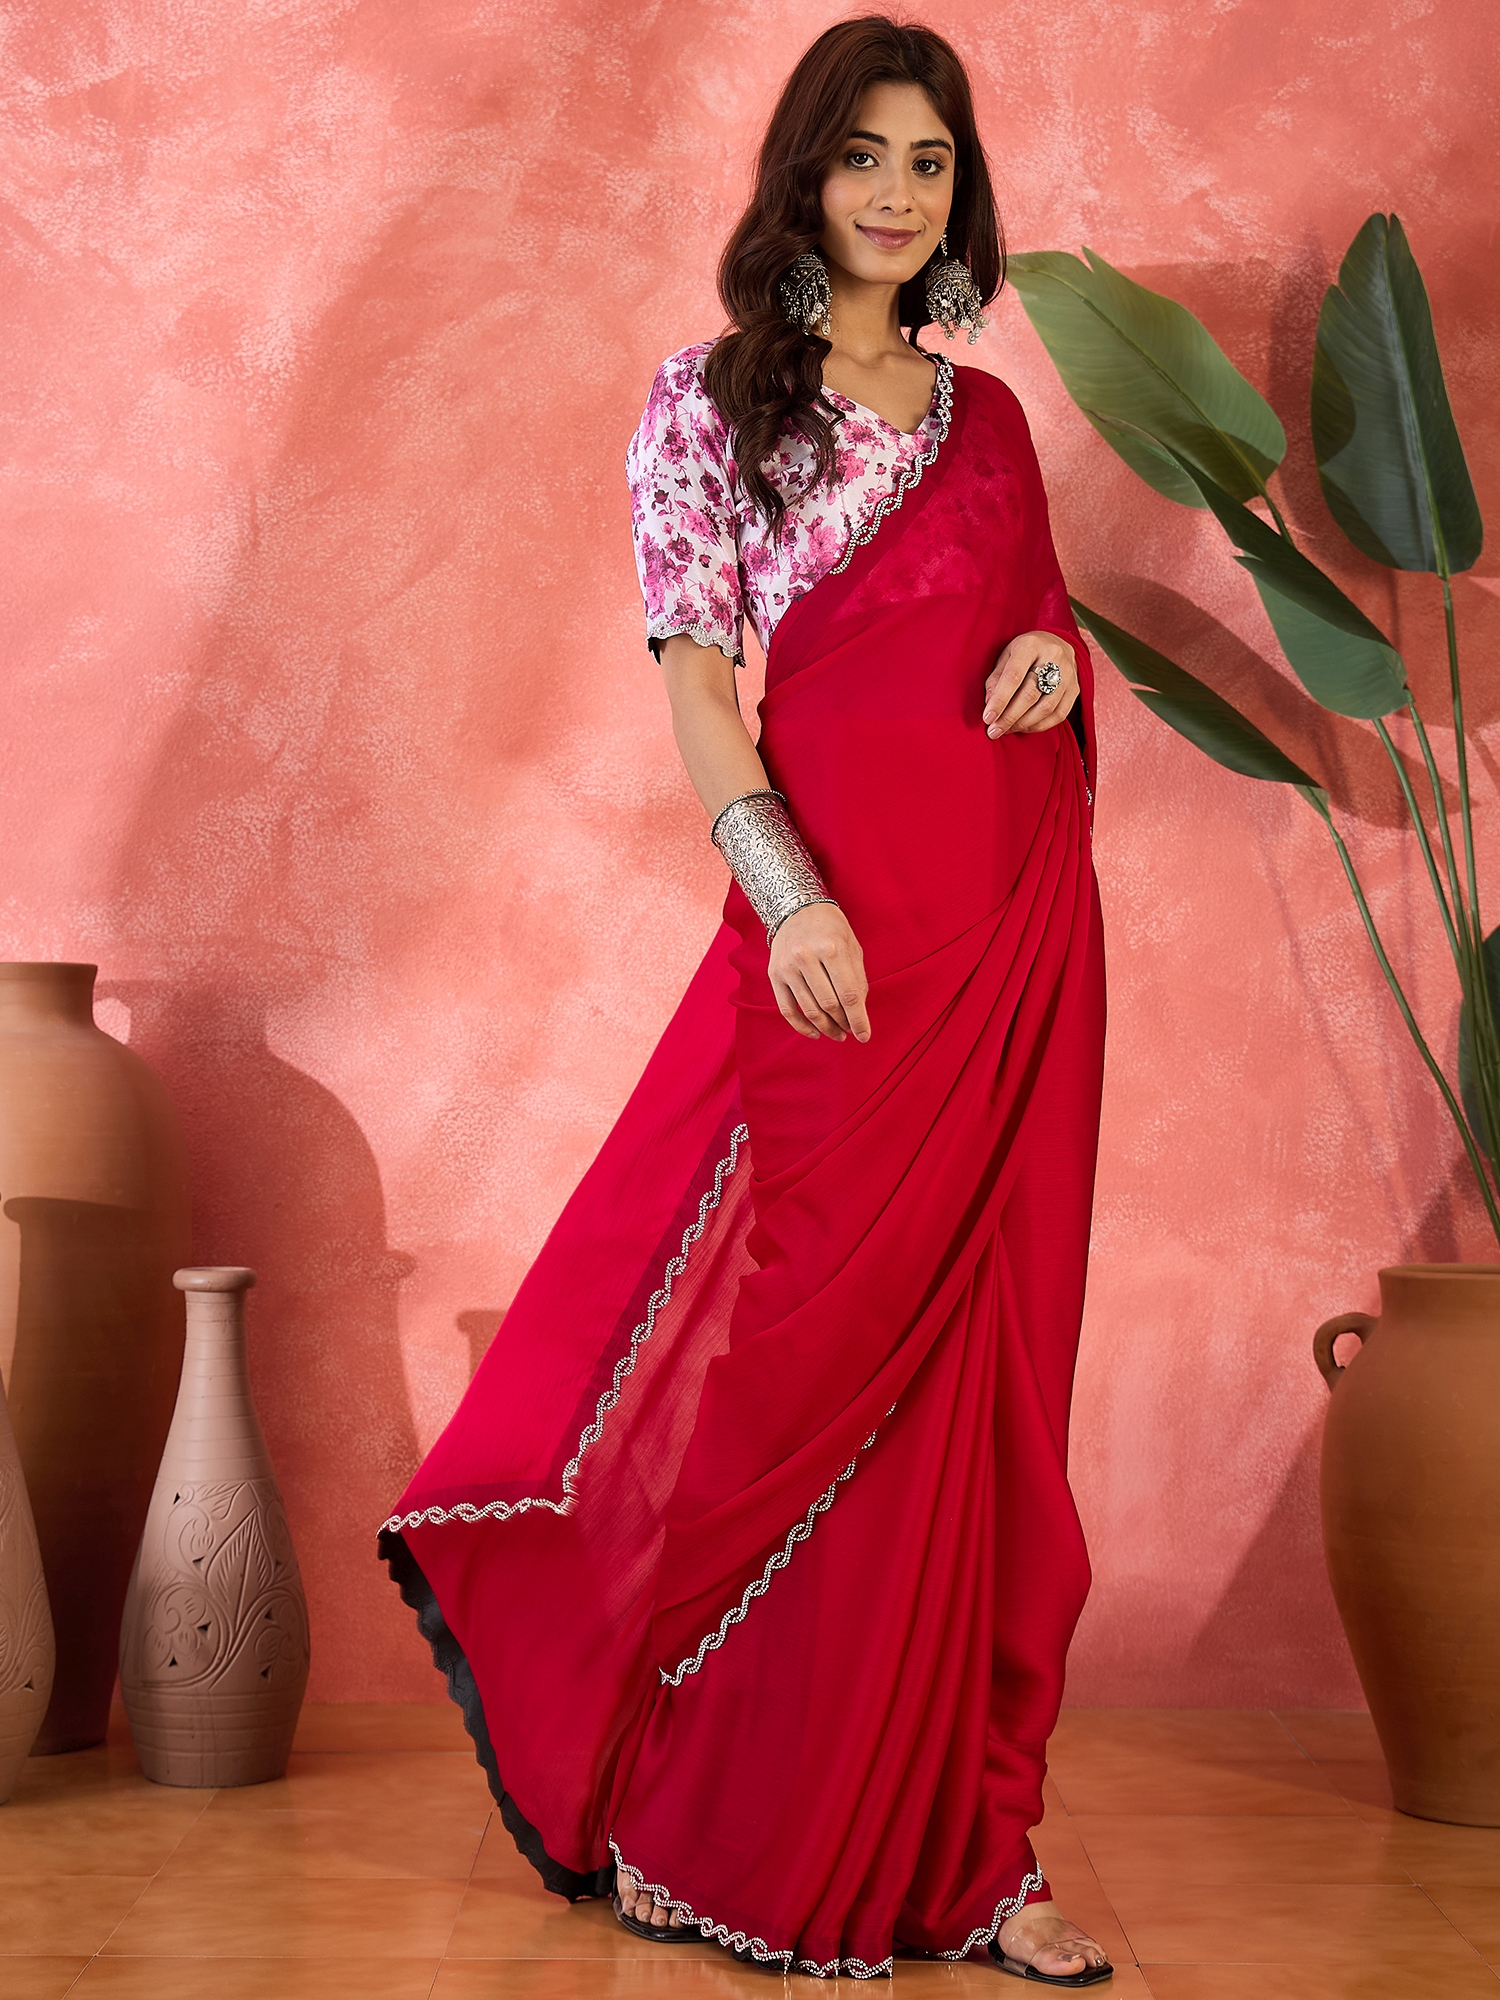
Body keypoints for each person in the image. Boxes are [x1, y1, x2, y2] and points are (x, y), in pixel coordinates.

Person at [380, 15, 1109, 1984]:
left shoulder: (992, 422)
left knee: (995, 1383)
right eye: (863, 154)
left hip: (1012, 936)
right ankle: (712, 1810)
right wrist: (790, 898)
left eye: (930, 161)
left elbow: (1028, 625)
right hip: (842, 942)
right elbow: (703, 688)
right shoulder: (706, 407)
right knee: (803, 1364)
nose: (897, 193)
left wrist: (1057, 661)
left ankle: (984, 1849)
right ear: (802, 174)